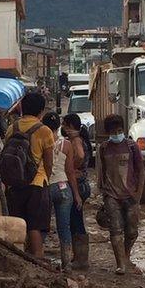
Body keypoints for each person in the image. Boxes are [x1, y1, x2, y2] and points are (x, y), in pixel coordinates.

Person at [5, 92, 54, 258]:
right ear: (41, 111)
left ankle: (20, 259)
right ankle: (38, 259)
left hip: (15, 183)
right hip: (37, 183)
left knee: (18, 224)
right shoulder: (44, 131)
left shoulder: (13, 128)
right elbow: (48, 162)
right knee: (35, 225)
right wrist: (46, 178)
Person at [97, 114, 145, 275]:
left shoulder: (132, 147)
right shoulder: (103, 148)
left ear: (122, 130)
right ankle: (120, 264)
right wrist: (102, 192)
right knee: (115, 230)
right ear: (108, 132)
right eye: (113, 132)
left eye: (118, 131)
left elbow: (141, 170)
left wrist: (138, 194)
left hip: (131, 195)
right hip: (111, 195)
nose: (116, 134)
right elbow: (101, 171)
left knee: (132, 232)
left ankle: (126, 254)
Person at [42, 112, 82, 272]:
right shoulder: (66, 144)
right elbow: (70, 171)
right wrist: (77, 195)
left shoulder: (40, 142)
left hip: (45, 187)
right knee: (64, 227)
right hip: (64, 188)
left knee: (42, 225)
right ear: (59, 126)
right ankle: (67, 264)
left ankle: (37, 258)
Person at [62, 113, 93, 270]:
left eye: (65, 126)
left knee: (76, 221)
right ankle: (79, 257)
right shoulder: (80, 138)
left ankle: (81, 259)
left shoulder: (75, 140)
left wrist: (71, 167)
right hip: (83, 184)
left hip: (78, 185)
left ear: (70, 126)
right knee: (77, 219)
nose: (63, 129)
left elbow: (80, 155)